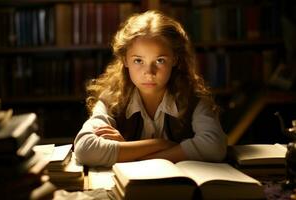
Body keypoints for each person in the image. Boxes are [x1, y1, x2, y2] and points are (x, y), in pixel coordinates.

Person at [74, 10, 227, 167]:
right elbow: (85, 149)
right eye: (138, 60)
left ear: (174, 59)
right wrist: (161, 144)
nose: (149, 73)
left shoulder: (193, 100)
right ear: (125, 60)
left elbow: (214, 147)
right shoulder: (112, 100)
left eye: (160, 60)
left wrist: (128, 153)